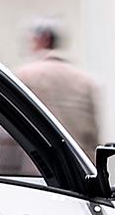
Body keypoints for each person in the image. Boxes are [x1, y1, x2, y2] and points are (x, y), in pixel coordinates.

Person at [15, 19, 99, 158]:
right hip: (80, 166)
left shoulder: (25, 76)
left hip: (41, 167)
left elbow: (11, 134)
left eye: (33, 40)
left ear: (44, 39)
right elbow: (93, 137)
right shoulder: (85, 82)